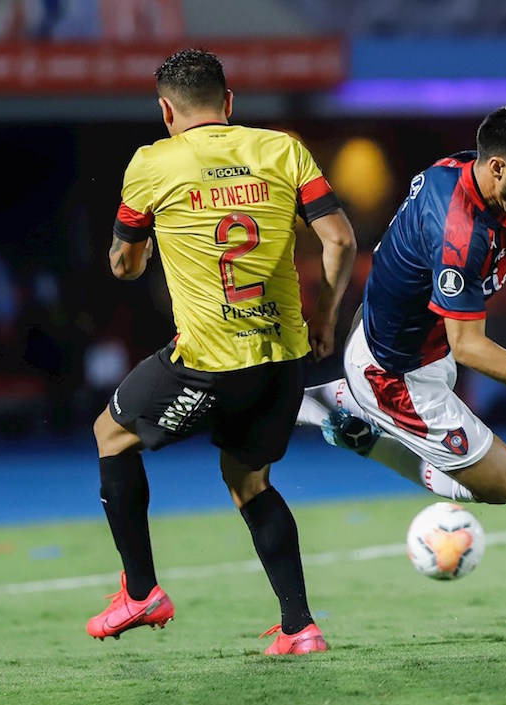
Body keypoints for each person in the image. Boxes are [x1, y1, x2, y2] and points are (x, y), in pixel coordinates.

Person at [88, 48, 357, 655]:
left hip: (209, 361)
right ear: (229, 103)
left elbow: (125, 267)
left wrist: (142, 248)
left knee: (111, 435)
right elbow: (340, 239)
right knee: (248, 479)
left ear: (166, 110)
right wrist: (325, 316)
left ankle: (141, 592)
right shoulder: (283, 149)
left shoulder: (151, 163)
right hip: (285, 358)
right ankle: (300, 627)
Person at [297, 104, 506, 504]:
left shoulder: (478, 175)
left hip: (410, 339)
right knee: (504, 482)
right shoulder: (461, 235)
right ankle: (349, 420)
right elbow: (469, 346)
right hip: (394, 373)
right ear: (499, 168)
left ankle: (350, 399)